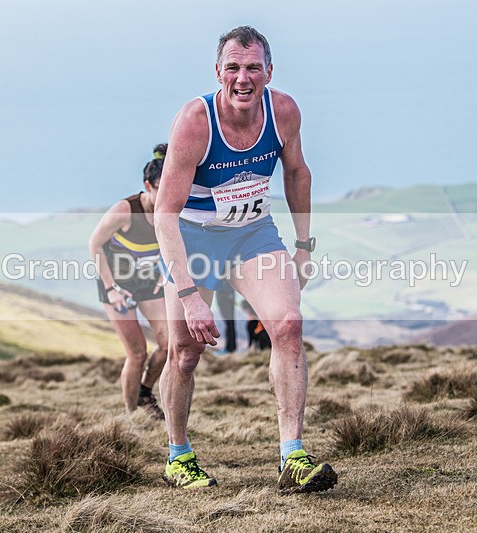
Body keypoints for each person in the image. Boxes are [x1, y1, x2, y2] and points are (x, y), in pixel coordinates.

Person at [154, 26, 337, 493]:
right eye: (233, 67)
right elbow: (165, 215)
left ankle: (292, 457)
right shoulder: (196, 122)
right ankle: (178, 455)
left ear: (268, 72)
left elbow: (297, 171)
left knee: (289, 324)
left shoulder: (285, 112)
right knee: (185, 353)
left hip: (253, 235)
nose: (243, 78)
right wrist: (191, 296)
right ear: (218, 72)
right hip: (193, 239)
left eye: (253, 67)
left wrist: (303, 245)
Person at [89, 144, 169, 420]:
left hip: (148, 282)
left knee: (169, 344)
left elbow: (176, 244)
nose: (167, 195)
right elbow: (95, 245)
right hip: (116, 285)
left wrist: (165, 273)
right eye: (161, 188)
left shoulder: (171, 210)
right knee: (137, 354)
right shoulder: (125, 210)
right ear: (148, 185)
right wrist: (111, 289)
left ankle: (145, 393)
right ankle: (130, 416)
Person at [214, 282, 237, 353]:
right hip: (226, 294)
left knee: (229, 323)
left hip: (225, 295)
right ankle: (231, 347)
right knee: (229, 323)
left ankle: (230, 348)